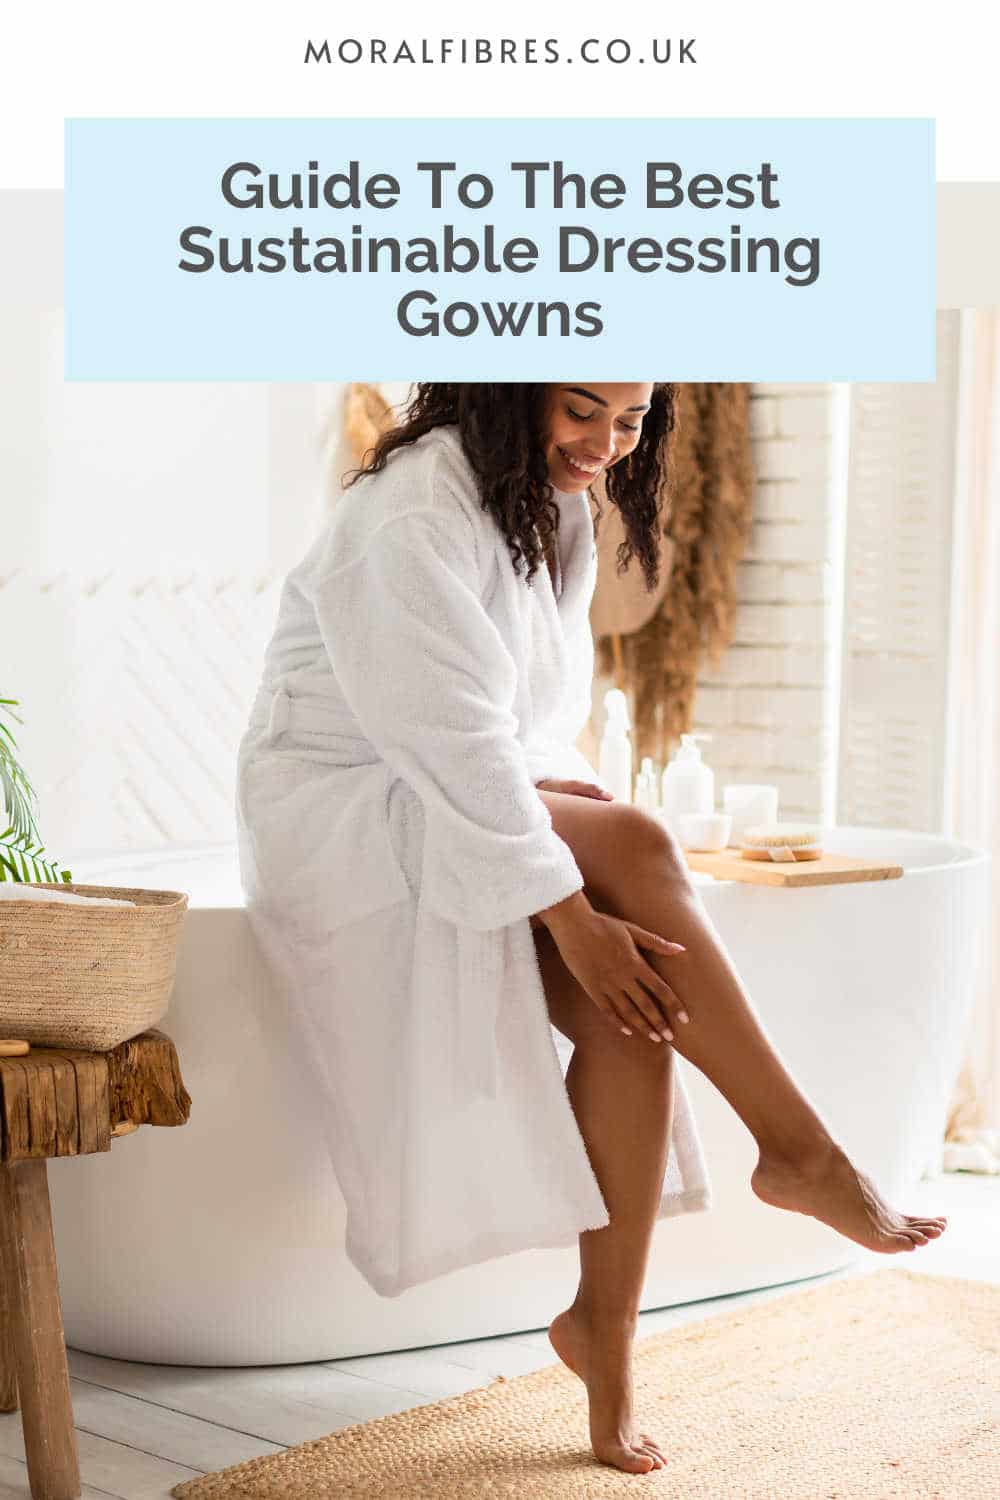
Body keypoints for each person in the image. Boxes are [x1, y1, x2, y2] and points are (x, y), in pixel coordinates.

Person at [235, 382, 946, 1477]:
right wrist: (569, 912)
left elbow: (522, 718)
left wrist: (582, 885)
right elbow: (450, 732)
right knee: (638, 851)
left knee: (638, 1011)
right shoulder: (410, 512)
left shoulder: (541, 501)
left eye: (630, 421)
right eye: (580, 410)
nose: (604, 445)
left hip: (452, 787)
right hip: (343, 807)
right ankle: (800, 1151)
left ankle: (599, 1336)